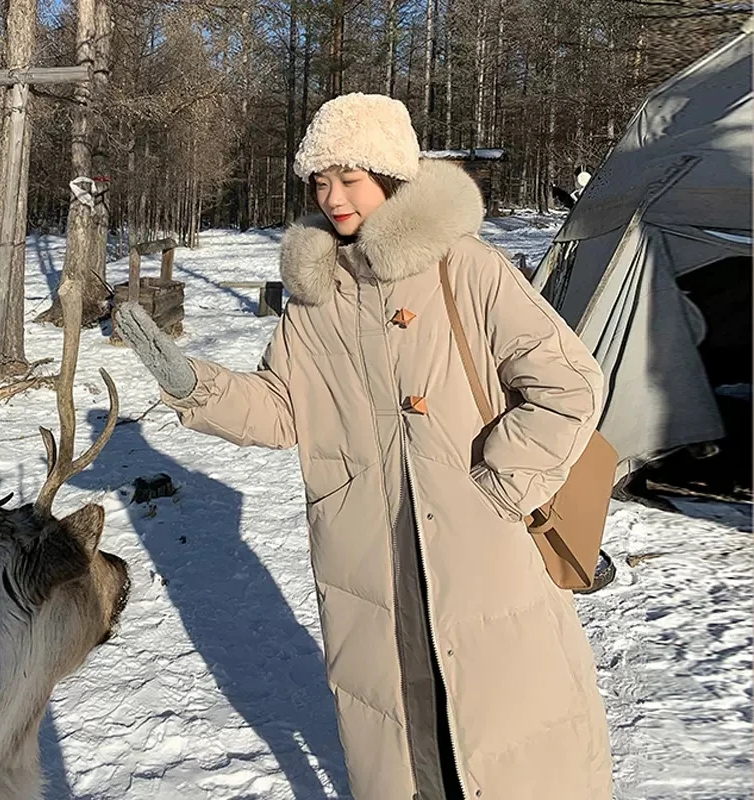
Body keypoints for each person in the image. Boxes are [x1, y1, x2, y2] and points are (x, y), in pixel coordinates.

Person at [116, 93, 613, 800]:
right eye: (320, 180)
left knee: (505, 735)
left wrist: (501, 485)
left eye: (349, 177)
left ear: (390, 176)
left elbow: (568, 383)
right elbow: (285, 410)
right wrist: (194, 384)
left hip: (480, 548)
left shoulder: (464, 269)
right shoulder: (315, 299)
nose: (333, 196)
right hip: (367, 557)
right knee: (401, 736)